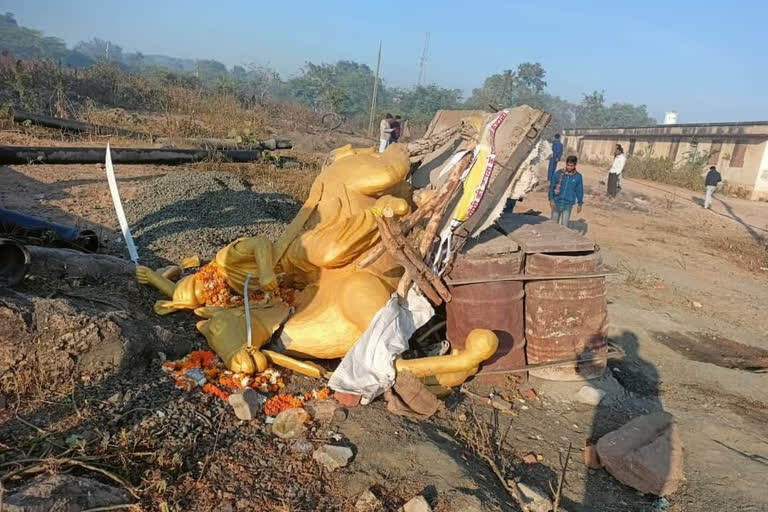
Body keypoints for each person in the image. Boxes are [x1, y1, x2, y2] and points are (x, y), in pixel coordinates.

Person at [548, 155, 583, 227]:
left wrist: (580, 203)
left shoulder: (578, 176)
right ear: (566, 164)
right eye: (568, 165)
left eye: (572, 166)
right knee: (553, 226)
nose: (569, 167)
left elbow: (579, 190)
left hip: (568, 204)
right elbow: (552, 187)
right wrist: (551, 199)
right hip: (557, 202)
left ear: (575, 165)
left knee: (564, 226)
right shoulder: (558, 173)